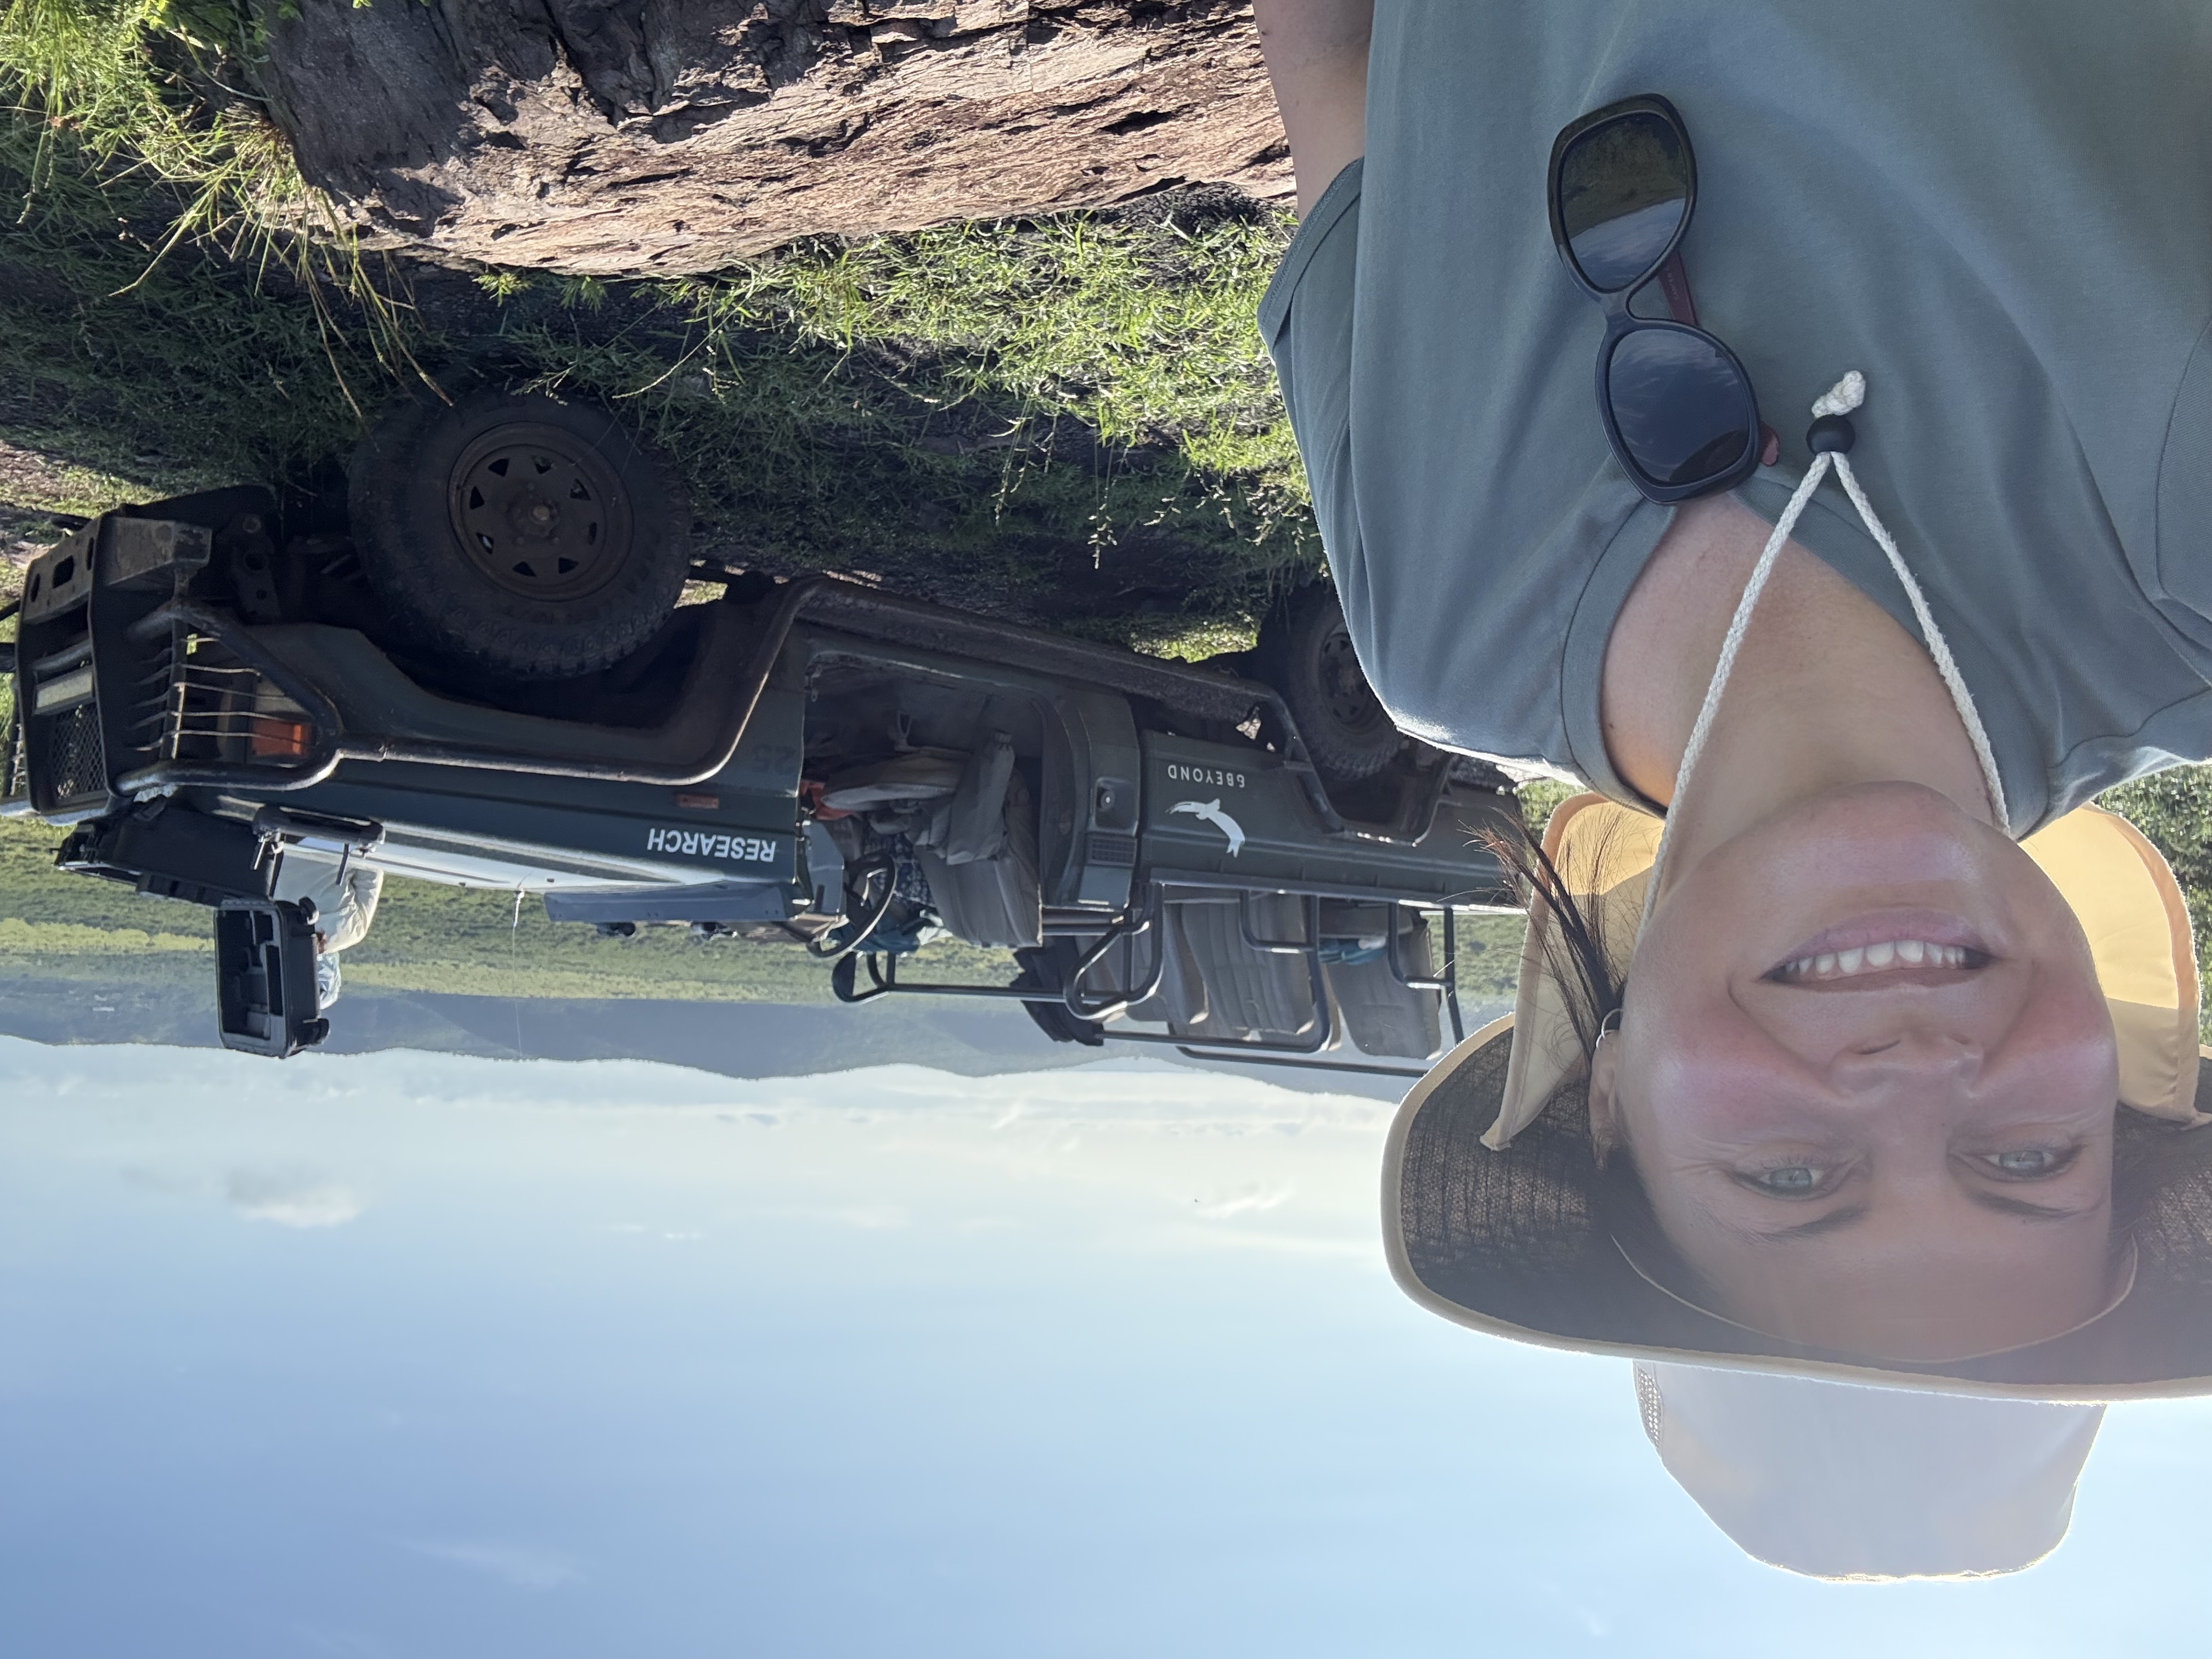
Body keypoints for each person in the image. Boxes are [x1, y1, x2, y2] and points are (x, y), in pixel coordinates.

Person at [1252, 1, 2212, 1390]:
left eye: (1791, 1175)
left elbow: (1339, 75)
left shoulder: (1440, 640)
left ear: (1610, 1106)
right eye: (2025, 1159)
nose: (1910, 1074)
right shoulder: (2180, 593)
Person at [270, 847, 383, 1012]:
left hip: (344, 837)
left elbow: (373, 865)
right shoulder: (272, 928)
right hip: (292, 835)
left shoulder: (353, 933)